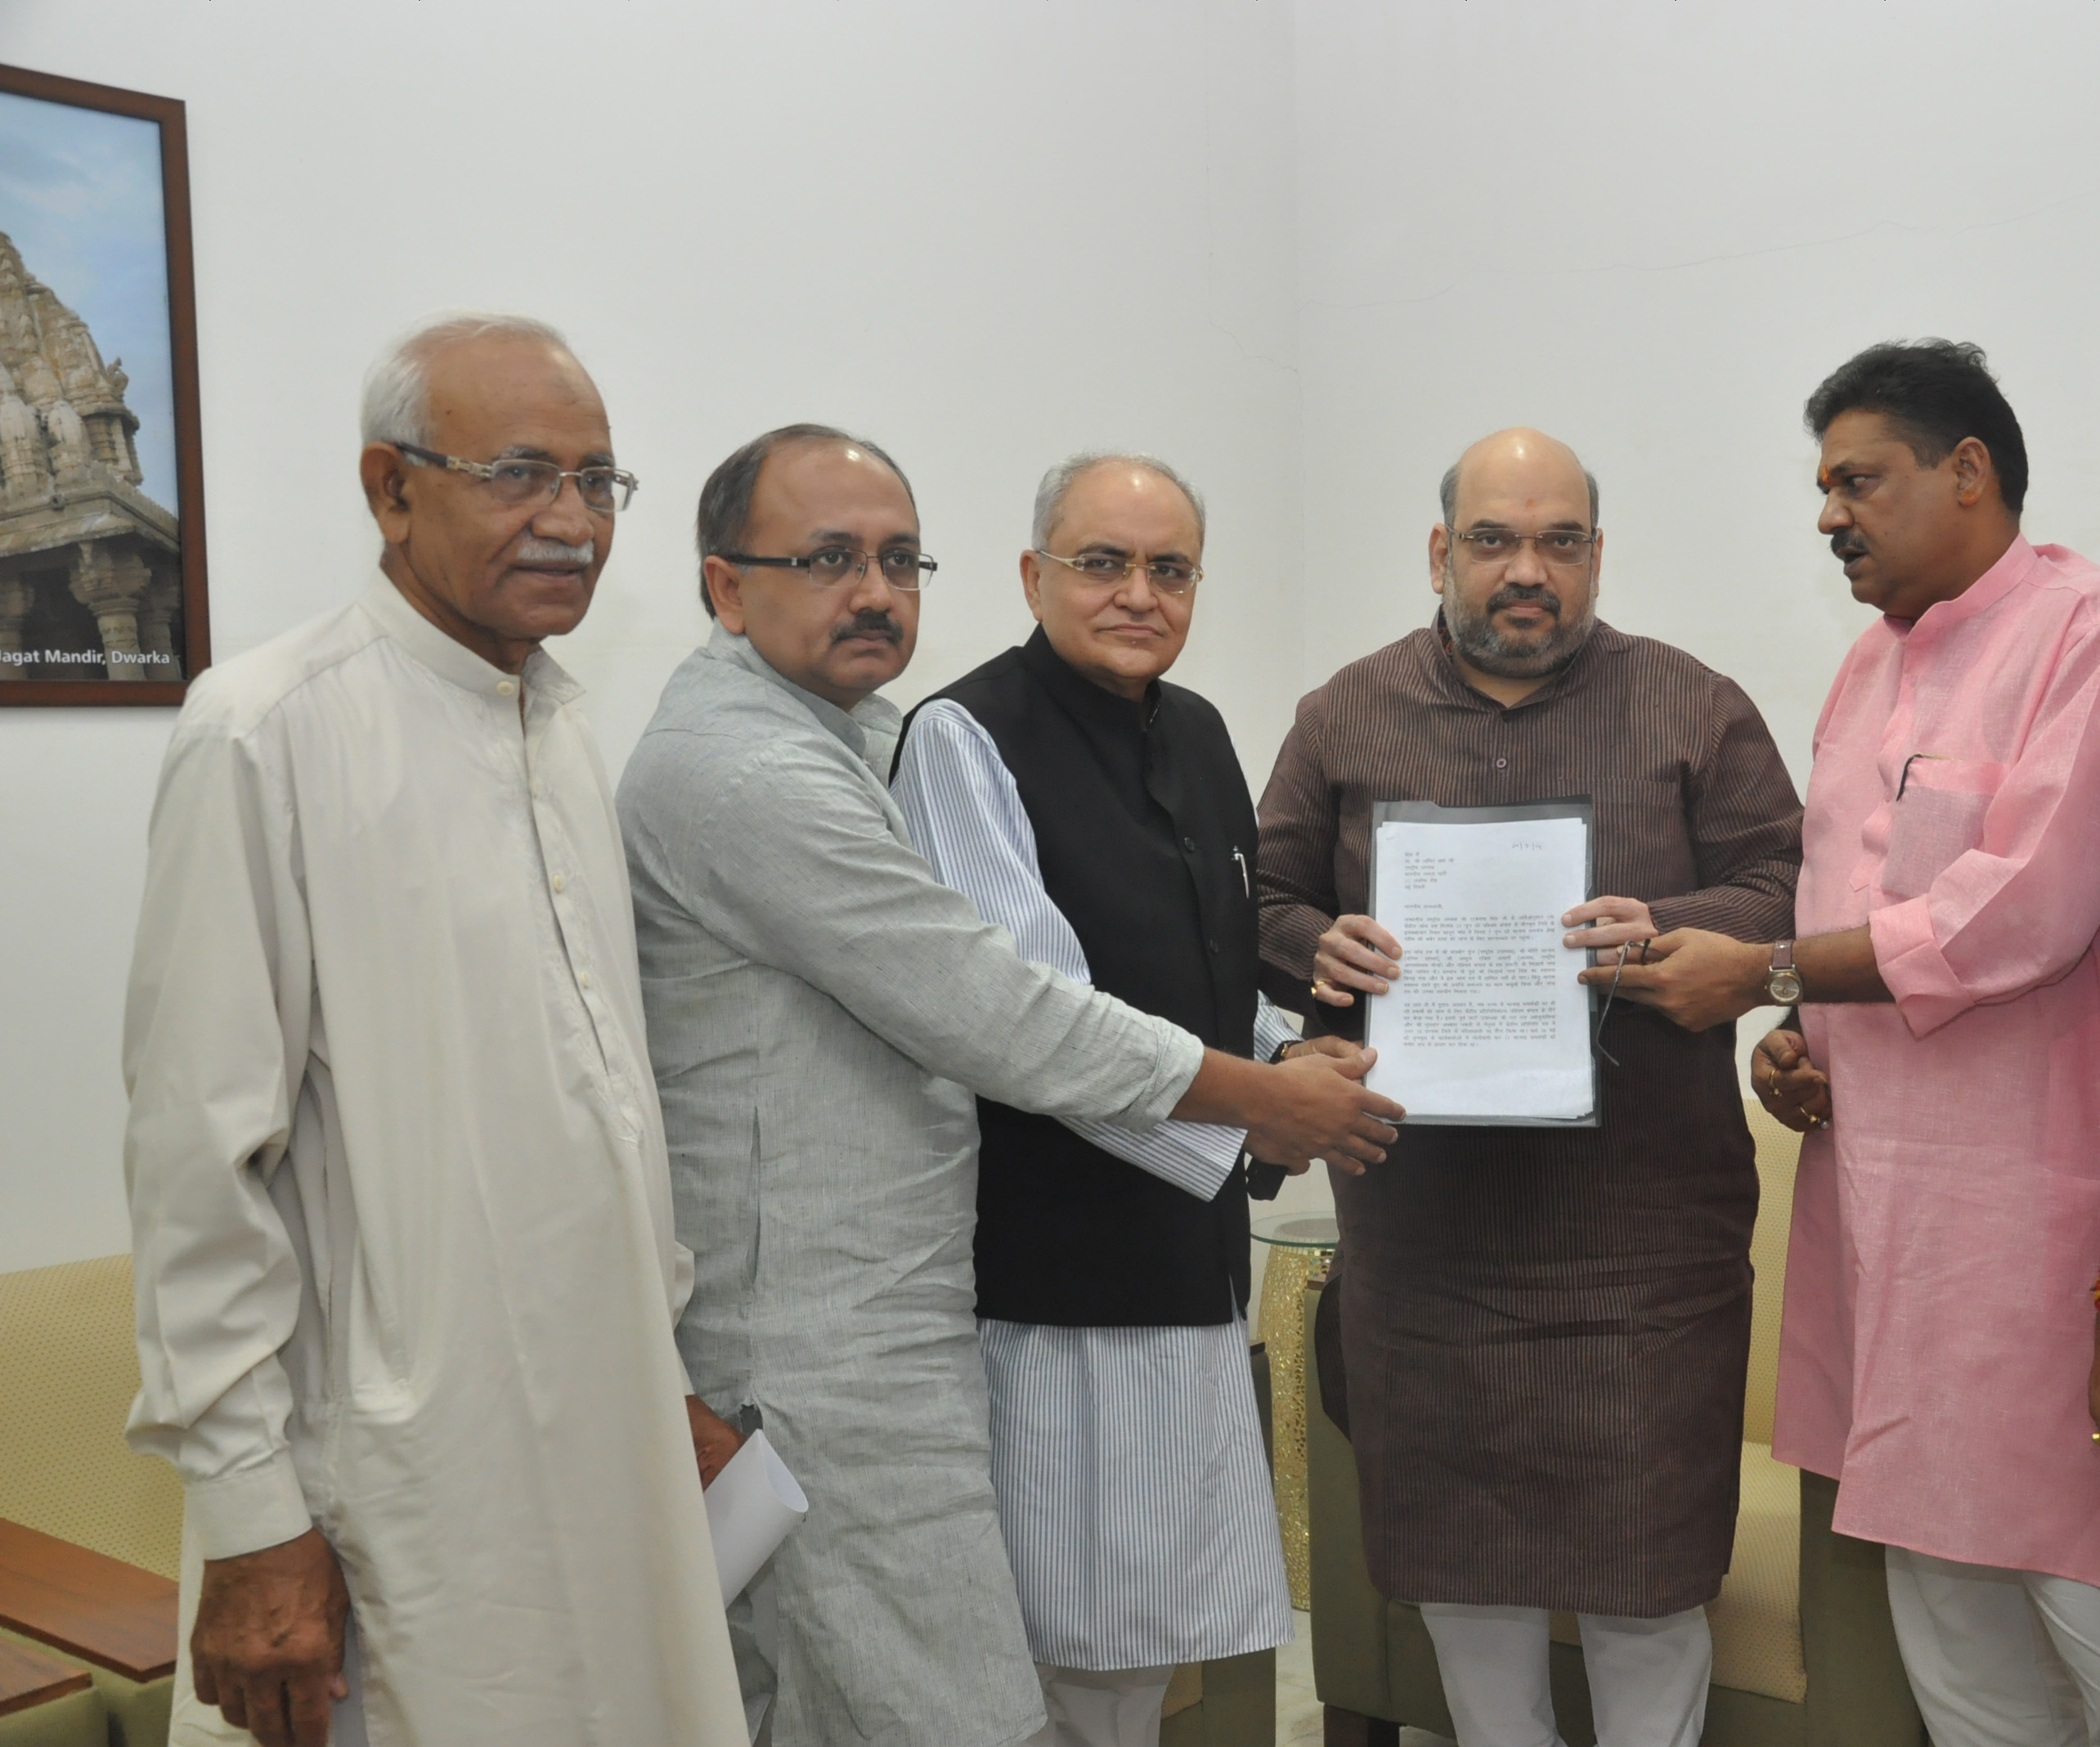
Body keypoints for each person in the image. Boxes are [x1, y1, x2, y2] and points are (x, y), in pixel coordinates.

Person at [617, 426, 1401, 1747]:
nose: (873, 591)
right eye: (825, 560)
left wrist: (1272, 1056)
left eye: (897, 560)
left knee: (867, 1697)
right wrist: (1261, 1101)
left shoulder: (866, 734)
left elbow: (1174, 965)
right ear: (724, 585)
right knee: (949, 1707)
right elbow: (1002, 1010)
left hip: (918, 1296)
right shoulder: (766, 768)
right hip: (828, 1330)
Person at [119, 314, 747, 1747]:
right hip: (406, 1479)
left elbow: (601, 1119)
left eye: (599, 483)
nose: (574, 520)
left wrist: (667, 1377)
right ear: (388, 487)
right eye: (524, 472)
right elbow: (195, 1170)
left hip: (611, 1446)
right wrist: (253, 1523)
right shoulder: (264, 734)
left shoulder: (560, 733)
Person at [1600, 344, 2100, 1745]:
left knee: (2098, 1616)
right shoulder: (1867, 666)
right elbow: (1840, 904)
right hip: (1879, 1215)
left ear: (1967, 470)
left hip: (2035, 1226)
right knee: (1944, 1614)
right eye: (1823, 488)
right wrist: (1795, 1034)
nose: (1829, 516)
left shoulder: (2098, 630)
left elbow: (2023, 910)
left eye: (1857, 480)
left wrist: (1772, 972)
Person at [1256, 427, 1803, 1747]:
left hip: (1642, 1245)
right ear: (1442, 552)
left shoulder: (1694, 705)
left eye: (1560, 543)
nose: (1528, 572)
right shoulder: (1346, 712)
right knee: (1462, 1570)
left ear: (1598, 557)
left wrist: (1658, 923)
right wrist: (1309, 944)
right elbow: (1266, 896)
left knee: (1650, 1573)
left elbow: (1784, 886)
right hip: (1431, 1240)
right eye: (1496, 540)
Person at [891, 451, 1309, 1747]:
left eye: (1169, 568)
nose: (1139, 592)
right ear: (1032, 575)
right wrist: (1262, 1110)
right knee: (1053, 1658)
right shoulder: (963, 738)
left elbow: (1214, 978)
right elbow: (1033, 1020)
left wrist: (1296, 1056)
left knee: (1138, 1654)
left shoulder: (1196, 731)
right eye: (1104, 563)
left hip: (1189, 1263)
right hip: (1054, 1277)